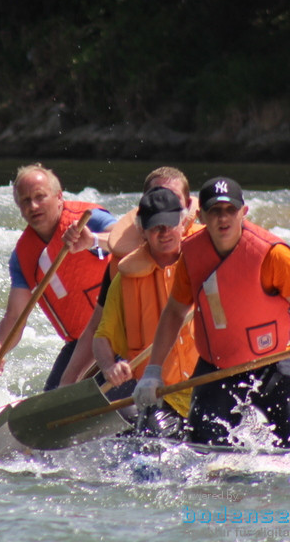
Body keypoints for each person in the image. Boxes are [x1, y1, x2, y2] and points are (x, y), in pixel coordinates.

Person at [132, 176, 290, 449]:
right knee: (203, 445)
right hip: (217, 367)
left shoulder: (272, 254)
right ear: (201, 215)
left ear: (244, 212)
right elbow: (173, 313)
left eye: (230, 210)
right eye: (215, 211)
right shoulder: (191, 255)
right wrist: (152, 372)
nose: (223, 218)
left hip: (275, 364)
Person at [0, 163, 117, 391]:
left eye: (40, 197)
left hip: (122, 328)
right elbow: (15, 316)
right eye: (25, 200)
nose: (33, 206)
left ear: (59, 197)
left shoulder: (90, 219)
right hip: (81, 343)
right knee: (52, 400)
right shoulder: (23, 258)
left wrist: (92, 240)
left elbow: (130, 240)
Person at [57, 167, 199, 387]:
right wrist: (66, 387)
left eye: (171, 202)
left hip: (198, 374)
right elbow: (97, 330)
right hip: (144, 375)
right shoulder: (124, 268)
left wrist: (95, 240)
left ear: (186, 209)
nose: (161, 202)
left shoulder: (207, 248)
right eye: (154, 199)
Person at [91, 186, 200, 435]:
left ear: (183, 223)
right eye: (155, 227)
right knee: (156, 443)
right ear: (142, 230)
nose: (164, 233)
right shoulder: (125, 279)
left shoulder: (204, 264)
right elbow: (101, 337)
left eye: (170, 224)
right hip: (160, 394)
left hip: (207, 387)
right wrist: (109, 367)